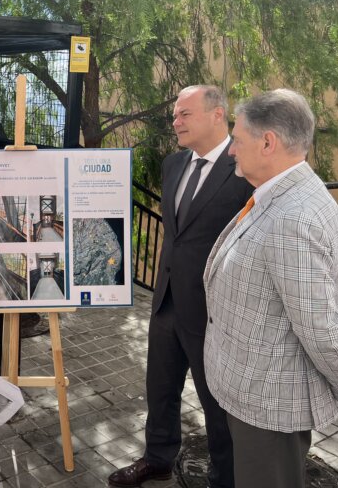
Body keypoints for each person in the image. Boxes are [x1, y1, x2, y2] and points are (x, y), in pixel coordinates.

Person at [203, 88, 338, 488]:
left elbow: (317, 325)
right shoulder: (284, 197)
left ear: (268, 142)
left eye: (237, 141)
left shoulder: (293, 218)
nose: (230, 151)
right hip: (256, 393)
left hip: (269, 404)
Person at [109, 85, 253, 488]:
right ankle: (157, 459)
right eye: (175, 114)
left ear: (216, 115)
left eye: (185, 114)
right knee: (160, 390)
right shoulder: (174, 165)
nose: (175, 121)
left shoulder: (243, 167)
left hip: (214, 312)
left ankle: (224, 478)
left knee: (216, 404)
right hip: (167, 303)